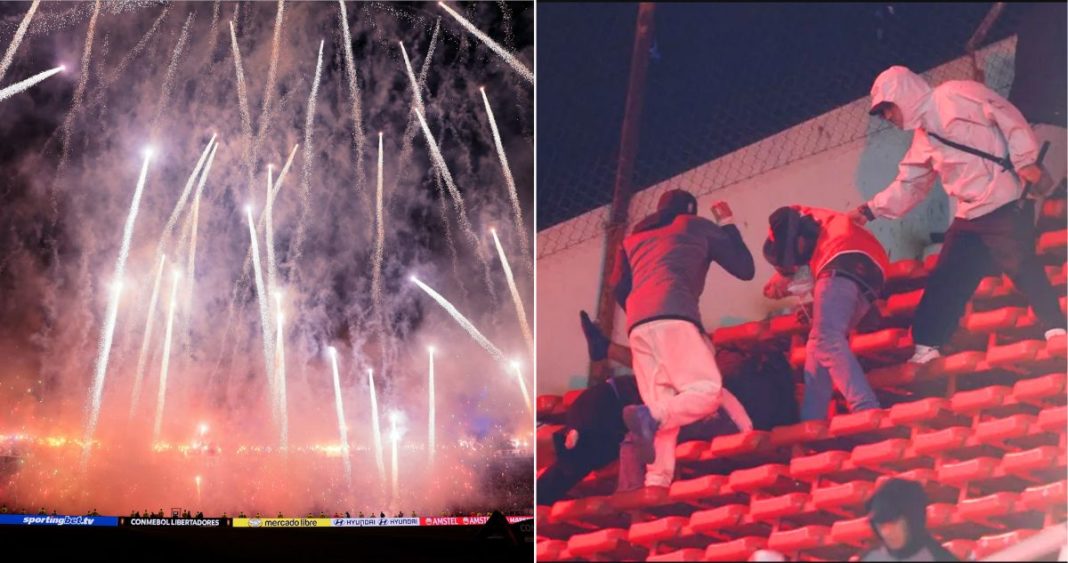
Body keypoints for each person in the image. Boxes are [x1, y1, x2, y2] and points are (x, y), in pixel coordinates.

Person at [850, 65, 1066, 364]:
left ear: (902, 95)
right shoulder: (923, 138)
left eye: (887, 108)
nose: (888, 116)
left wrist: (1024, 158)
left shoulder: (954, 93)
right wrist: (869, 210)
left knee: (1021, 263)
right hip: (970, 214)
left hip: (1004, 198)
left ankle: (1057, 327)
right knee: (948, 277)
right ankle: (927, 345)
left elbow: (1006, 114)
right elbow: (910, 184)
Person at [609, 190, 755, 489]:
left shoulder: (632, 239)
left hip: (637, 324)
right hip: (674, 314)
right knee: (707, 392)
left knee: (664, 408)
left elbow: (617, 288)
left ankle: (656, 481)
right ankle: (650, 415)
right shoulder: (692, 225)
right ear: (689, 209)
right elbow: (745, 268)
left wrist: (646, 312)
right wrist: (727, 222)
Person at [763, 205, 889, 420]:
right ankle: (812, 420)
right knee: (816, 344)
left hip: (842, 260)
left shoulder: (789, 227)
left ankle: (866, 407)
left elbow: (795, 264)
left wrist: (783, 278)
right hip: (873, 271)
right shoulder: (819, 224)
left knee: (826, 337)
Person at [861, 479, 958, 561]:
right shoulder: (870, 557)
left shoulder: (940, 558)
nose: (886, 532)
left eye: (893, 522)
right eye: (881, 525)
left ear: (913, 519)